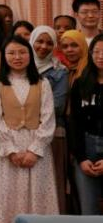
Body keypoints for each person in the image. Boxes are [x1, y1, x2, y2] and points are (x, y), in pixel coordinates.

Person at [0, 36, 59, 223]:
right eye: (11, 53)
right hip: (6, 146)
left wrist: (35, 150)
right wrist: (11, 150)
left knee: (38, 200)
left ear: (30, 54)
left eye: (22, 52)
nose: (17, 57)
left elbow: (48, 118)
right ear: (4, 56)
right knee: (8, 198)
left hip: (36, 145)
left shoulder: (43, 82)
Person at [31, 25, 69, 212]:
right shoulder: (19, 66)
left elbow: (58, 106)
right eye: (39, 41)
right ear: (32, 41)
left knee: (52, 181)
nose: (44, 46)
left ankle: (53, 222)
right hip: (23, 133)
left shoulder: (60, 71)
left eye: (49, 43)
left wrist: (26, 112)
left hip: (52, 133)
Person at [70, 34, 103, 215]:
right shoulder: (81, 83)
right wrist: (81, 158)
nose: (100, 56)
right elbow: (75, 122)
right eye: (96, 51)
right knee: (89, 211)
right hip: (87, 147)